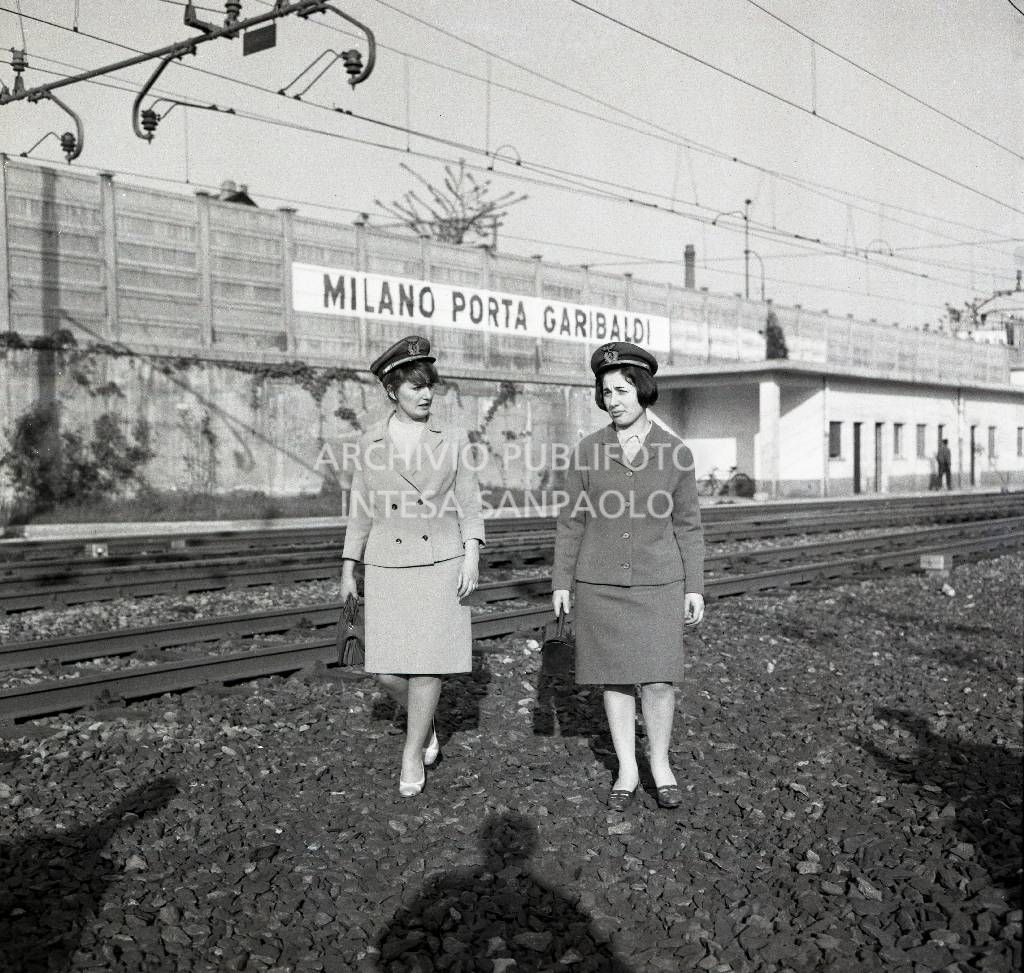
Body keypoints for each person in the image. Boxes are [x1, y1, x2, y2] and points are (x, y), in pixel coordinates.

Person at [552, 341, 705, 811]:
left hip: (660, 583)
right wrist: (561, 581)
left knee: (659, 680)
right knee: (615, 679)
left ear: (643, 391)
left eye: (621, 390)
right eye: (606, 391)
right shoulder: (586, 451)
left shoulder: (675, 453)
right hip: (600, 585)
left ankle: (660, 763)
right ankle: (626, 768)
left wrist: (695, 586)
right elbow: (571, 520)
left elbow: (688, 525)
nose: (613, 399)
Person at [341, 335, 485, 797]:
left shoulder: (453, 438)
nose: (426, 395)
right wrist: (349, 565)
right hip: (387, 563)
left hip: (440, 560)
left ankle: (411, 752)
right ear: (391, 391)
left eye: (430, 386)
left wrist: (472, 552)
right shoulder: (370, 442)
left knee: (427, 667)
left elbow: (469, 501)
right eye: (414, 387)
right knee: (384, 669)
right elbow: (361, 508)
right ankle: (425, 727)